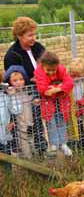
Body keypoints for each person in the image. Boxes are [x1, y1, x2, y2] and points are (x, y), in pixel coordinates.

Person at [4, 16, 46, 156]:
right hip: (24, 95)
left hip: (40, 90)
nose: (34, 38)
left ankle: (41, 150)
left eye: (34, 34)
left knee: (38, 121)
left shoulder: (38, 47)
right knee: (25, 124)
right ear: (19, 36)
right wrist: (30, 80)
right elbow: (14, 78)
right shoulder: (12, 54)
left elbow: (47, 64)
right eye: (30, 35)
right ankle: (27, 154)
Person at [34, 52, 74, 157]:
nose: (52, 72)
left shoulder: (61, 69)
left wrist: (56, 89)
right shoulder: (39, 71)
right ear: (43, 66)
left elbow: (70, 83)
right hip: (48, 104)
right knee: (51, 123)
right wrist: (61, 86)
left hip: (61, 102)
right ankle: (54, 144)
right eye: (49, 70)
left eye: (54, 70)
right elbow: (43, 88)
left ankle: (63, 143)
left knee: (61, 121)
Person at [3, 65, 38, 159]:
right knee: (23, 142)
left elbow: (31, 101)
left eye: (21, 79)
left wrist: (35, 102)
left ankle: (36, 157)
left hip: (30, 122)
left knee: (32, 140)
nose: (19, 82)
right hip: (19, 124)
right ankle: (29, 159)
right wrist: (11, 95)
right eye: (15, 80)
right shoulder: (10, 94)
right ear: (9, 82)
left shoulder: (26, 91)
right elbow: (10, 109)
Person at [69, 58, 84, 153]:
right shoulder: (69, 82)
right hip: (72, 111)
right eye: (73, 75)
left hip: (82, 110)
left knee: (82, 130)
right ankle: (73, 151)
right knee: (72, 131)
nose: (76, 78)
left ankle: (83, 151)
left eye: (78, 75)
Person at [0, 71, 22, 170]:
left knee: (6, 164)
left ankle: (8, 179)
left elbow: (17, 110)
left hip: (4, 135)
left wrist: (13, 96)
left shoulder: (4, 96)